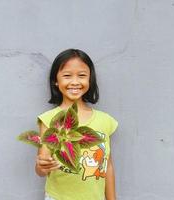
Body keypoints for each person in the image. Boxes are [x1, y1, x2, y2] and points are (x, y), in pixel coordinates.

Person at [35, 49, 118, 200]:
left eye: (82, 75)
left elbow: (108, 165)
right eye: (67, 76)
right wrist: (42, 166)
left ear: (90, 79)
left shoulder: (105, 121)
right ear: (56, 80)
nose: (75, 82)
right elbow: (42, 169)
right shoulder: (48, 120)